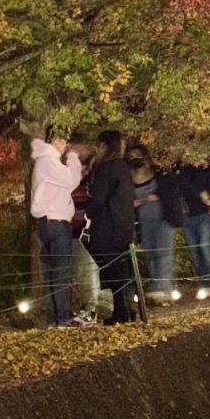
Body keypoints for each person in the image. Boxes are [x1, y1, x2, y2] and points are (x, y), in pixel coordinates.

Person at [28, 127, 83, 327]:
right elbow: (71, 179)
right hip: (56, 221)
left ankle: (56, 318)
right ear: (52, 141)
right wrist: (74, 158)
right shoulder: (48, 161)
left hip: (47, 221)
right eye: (61, 141)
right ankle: (62, 318)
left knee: (52, 271)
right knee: (61, 270)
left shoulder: (45, 162)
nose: (64, 146)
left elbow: (67, 183)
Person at [85, 128, 139, 321]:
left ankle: (120, 311)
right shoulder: (122, 167)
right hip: (124, 223)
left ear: (105, 146)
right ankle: (125, 308)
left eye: (98, 145)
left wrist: (88, 211)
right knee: (121, 269)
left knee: (110, 268)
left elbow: (99, 199)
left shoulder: (105, 169)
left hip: (107, 225)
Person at [130, 146, 177, 298]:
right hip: (144, 217)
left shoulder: (158, 172)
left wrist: (158, 196)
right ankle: (156, 285)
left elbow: (171, 189)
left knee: (163, 250)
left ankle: (164, 287)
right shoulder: (129, 177)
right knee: (149, 251)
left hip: (163, 215)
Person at [179, 157, 210, 279]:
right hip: (188, 215)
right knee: (194, 251)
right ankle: (204, 280)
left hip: (204, 213)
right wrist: (200, 193)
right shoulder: (185, 169)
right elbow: (183, 185)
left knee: (204, 246)